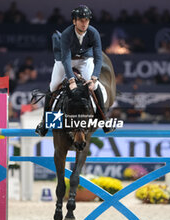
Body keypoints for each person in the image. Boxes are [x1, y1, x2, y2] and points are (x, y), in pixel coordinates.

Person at [35, 5, 112, 136]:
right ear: (74, 21)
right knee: (53, 86)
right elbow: (65, 59)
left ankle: (104, 118)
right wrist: (71, 80)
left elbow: (98, 57)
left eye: (86, 20)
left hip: (84, 60)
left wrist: (94, 78)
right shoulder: (66, 34)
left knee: (95, 87)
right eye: (81, 20)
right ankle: (44, 122)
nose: (84, 23)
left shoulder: (93, 33)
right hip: (65, 60)